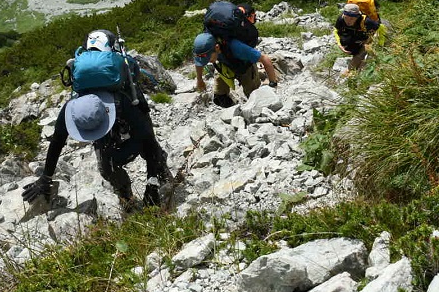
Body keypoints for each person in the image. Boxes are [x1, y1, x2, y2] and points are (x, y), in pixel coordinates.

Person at [22, 29, 172, 211]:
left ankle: (161, 172)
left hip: (128, 112)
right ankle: (126, 196)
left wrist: (152, 183)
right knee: (106, 167)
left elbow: (148, 140)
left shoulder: (124, 102)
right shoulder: (73, 108)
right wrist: (45, 178)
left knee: (149, 148)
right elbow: (57, 140)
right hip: (111, 117)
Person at [193, 31, 279, 108]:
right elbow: (199, 63)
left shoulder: (236, 47)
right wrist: (199, 80)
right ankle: (234, 110)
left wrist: (273, 84)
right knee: (219, 98)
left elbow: (264, 58)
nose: (207, 61)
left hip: (246, 67)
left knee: (254, 97)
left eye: (208, 58)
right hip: (224, 65)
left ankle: (264, 75)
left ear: (217, 47)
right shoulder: (208, 49)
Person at [334, 2, 380, 71]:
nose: (348, 21)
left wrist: (374, 43)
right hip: (359, 37)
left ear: (357, 16)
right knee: (346, 44)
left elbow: (380, 28)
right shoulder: (341, 19)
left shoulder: (366, 21)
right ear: (344, 15)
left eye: (352, 19)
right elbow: (336, 31)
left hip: (372, 37)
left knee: (364, 56)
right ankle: (355, 67)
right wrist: (340, 44)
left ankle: (363, 69)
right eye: (346, 18)